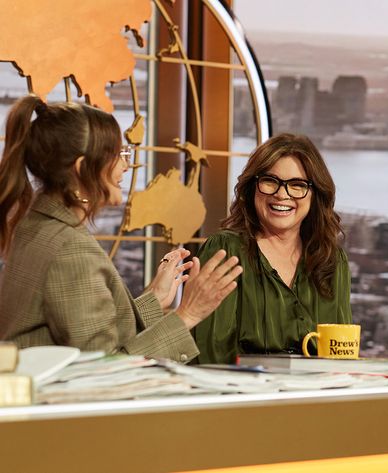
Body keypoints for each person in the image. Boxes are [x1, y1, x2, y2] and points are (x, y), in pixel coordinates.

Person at [0, 95, 243, 362]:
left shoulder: (37, 225)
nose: (126, 165)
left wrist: (154, 299)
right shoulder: (70, 250)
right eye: (118, 155)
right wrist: (188, 314)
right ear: (82, 169)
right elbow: (105, 369)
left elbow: (86, 328)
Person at [193, 133, 351, 364]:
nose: (282, 194)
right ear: (252, 187)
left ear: (315, 194)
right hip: (244, 394)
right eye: (270, 181)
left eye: (298, 185)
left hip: (315, 394)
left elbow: (342, 354)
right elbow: (209, 354)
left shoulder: (332, 259)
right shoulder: (226, 250)